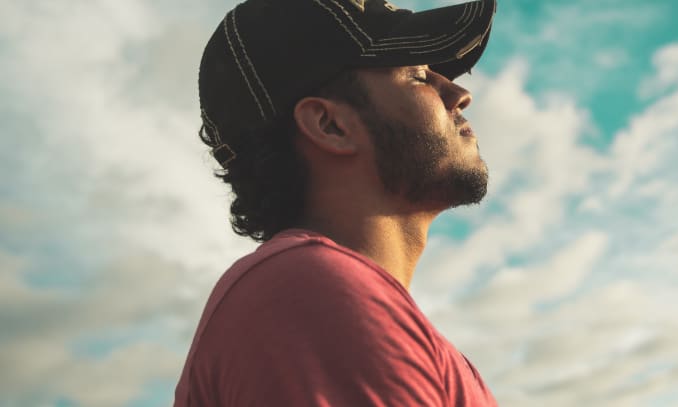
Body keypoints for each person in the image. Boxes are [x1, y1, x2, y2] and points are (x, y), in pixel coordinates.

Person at [174, 0, 498, 405]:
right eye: (417, 76)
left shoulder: (326, 299)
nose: (459, 93)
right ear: (330, 126)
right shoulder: (308, 292)